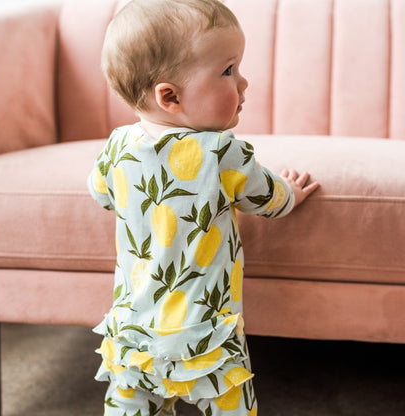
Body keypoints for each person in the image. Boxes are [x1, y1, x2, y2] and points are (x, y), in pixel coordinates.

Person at [87, 0, 320, 415]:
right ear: (170, 96)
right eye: (229, 70)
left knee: (130, 407)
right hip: (206, 334)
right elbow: (267, 199)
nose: (243, 83)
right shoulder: (220, 152)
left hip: (133, 333)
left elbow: (101, 193)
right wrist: (293, 193)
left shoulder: (117, 146)